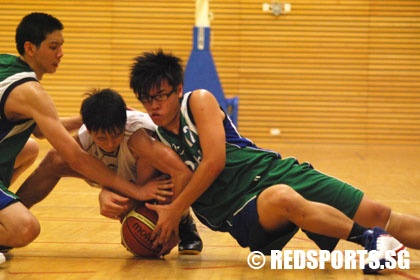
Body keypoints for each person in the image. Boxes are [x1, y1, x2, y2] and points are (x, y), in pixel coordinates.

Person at [127, 49, 420, 274]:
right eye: (146, 99)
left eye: (160, 96)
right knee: (281, 198)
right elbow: (132, 179)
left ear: (178, 90)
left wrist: (176, 209)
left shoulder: (198, 101)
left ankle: (376, 234)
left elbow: (214, 161)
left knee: (380, 213)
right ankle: (371, 240)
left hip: (273, 171)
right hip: (239, 210)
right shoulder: (154, 143)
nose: (153, 105)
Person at [0, 13, 168, 264]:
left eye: (62, 46)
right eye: (53, 47)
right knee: (25, 228)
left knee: (31, 149)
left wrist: (92, 116)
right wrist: (137, 191)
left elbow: (40, 130)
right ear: (30, 48)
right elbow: (76, 158)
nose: (61, 53)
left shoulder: (7, 64)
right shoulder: (31, 92)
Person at [17, 88, 203, 255]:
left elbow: (180, 174)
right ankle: (14, 210)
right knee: (54, 160)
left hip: (153, 177)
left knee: (160, 189)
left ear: (124, 125)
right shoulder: (84, 137)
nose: (110, 143)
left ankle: (185, 223)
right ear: (89, 130)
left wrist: (174, 215)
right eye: (102, 138)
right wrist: (106, 192)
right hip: (118, 175)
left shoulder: (140, 137)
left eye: (116, 135)